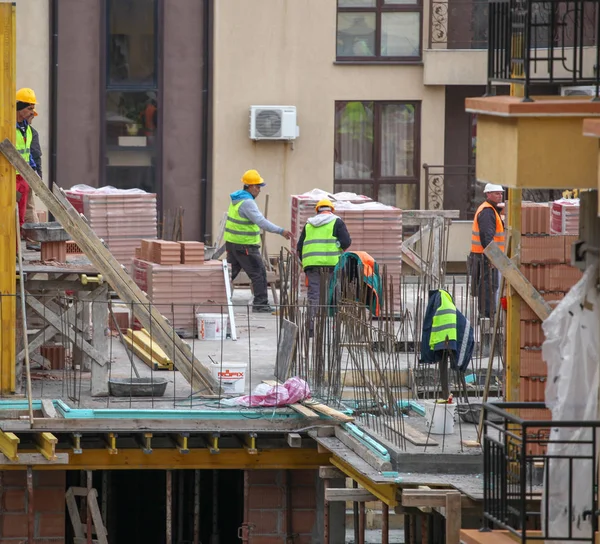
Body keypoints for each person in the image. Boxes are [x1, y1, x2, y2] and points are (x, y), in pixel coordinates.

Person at [224, 169, 292, 313]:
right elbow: (261, 222)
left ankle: (218, 299)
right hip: (245, 245)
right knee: (259, 273)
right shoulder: (247, 202)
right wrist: (281, 231)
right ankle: (260, 304)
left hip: (233, 244)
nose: (259, 190)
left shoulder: (237, 200)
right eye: (257, 186)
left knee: (230, 274)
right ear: (250, 186)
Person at [296, 199, 351, 313]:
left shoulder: (309, 224)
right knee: (333, 293)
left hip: (312, 265)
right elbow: (346, 242)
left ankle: (312, 325)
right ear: (331, 210)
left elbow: (300, 247)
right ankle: (332, 324)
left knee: (314, 295)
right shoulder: (337, 221)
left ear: (317, 211)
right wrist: (337, 245)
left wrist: (306, 263)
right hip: (332, 264)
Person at [470, 183, 505, 318]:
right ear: (488, 194)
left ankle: (487, 313)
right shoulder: (487, 211)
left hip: (483, 255)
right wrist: (492, 257)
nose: (499, 196)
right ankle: (487, 315)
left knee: (488, 285)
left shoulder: (492, 210)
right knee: (489, 286)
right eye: (496, 193)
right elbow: (486, 236)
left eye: (501, 193)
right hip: (485, 256)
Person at [15, 88, 38, 230]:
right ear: (19, 108)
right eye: (29, 108)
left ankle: (16, 251)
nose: (32, 112)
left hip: (23, 177)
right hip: (8, 176)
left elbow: (27, 153)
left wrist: (34, 169)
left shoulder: (28, 130)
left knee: (21, 217)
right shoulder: (7, 127)